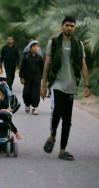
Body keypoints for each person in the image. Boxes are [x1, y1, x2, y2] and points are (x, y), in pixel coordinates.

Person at [41, 16, 91, 161]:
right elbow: (47, 65)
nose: (69, 28)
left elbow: (83, 65)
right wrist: (43, 86)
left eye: (72, 26)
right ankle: (52, 135)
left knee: (67, 119)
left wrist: (87, 85)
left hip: (71, 85)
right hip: (57, 83)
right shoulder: (54, 43)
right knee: (56, 112)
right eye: (67, 25)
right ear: (62, 26)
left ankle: (62, 150)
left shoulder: (78, 44)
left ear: (74, 28)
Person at [19, 40, 44, 115]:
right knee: (27, 92)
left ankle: (34, 108)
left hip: (37, 78)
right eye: (34, 46)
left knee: (36, 93)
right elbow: (22, 68)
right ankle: (27, 105)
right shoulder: (26, 57)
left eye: (37, 46)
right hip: (27, 78)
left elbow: (42, 68)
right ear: (30, 48)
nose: (36, 48)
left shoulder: (40, 58)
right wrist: (22, 77)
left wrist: (42, 77)